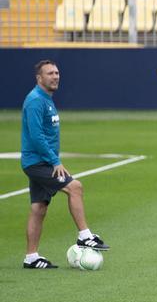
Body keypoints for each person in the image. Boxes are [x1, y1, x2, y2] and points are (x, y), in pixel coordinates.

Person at [21, 60, 108, 268]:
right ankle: (85, 235)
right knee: (75, 187)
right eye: (50, 73)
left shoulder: (46, 99)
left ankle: (31, 257)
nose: (55, 76)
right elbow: (36, 136)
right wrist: (54, 161)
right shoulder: (35, 101)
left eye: (57, 72)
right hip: (39, 163)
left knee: (38, 207)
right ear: (39, 78)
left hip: (40, 161)